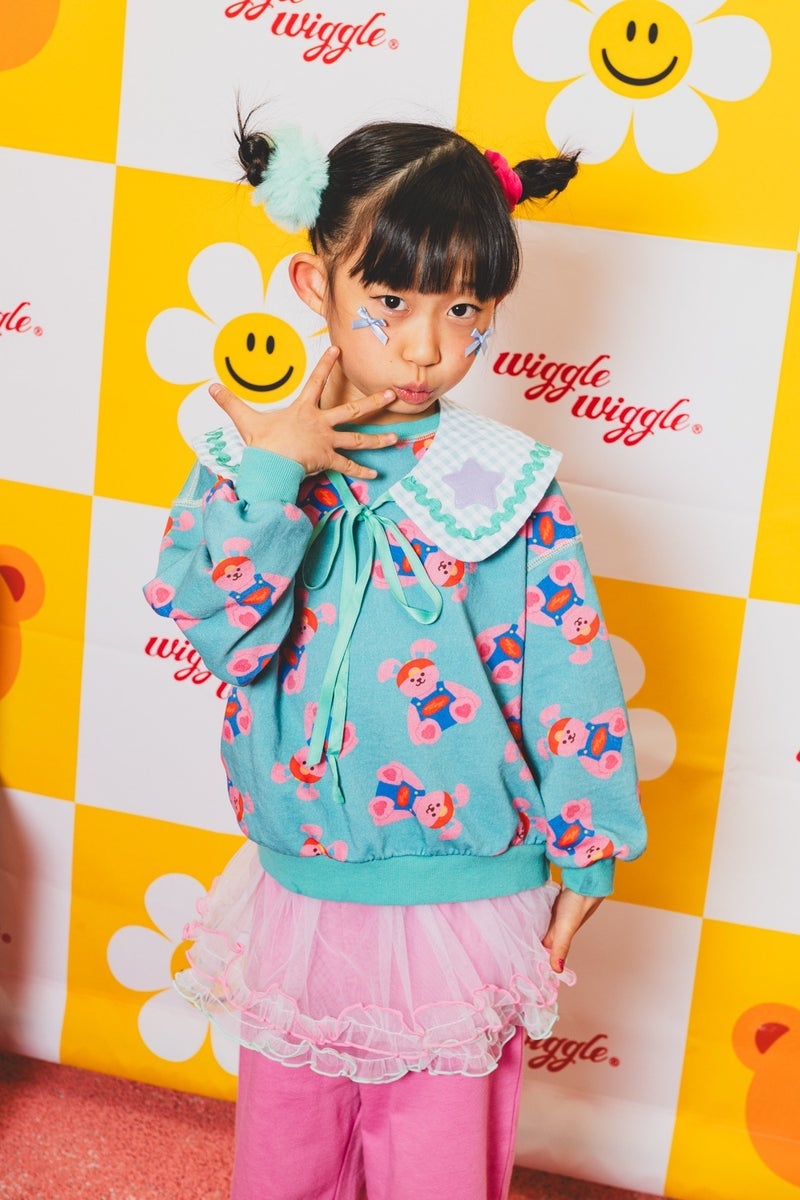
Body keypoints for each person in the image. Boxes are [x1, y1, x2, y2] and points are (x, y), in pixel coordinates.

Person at [145, 112, 646, 1200]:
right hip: (305, 881)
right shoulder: (246, 458)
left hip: (465, 894)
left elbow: (567, 675)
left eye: (462, 309)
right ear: (313, 284)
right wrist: (274, 476)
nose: (425, 346)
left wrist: (589, 850)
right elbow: (223, 630)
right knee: (286, 1163)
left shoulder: (506, 481)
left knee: (436, 1171)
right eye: (389, 302)